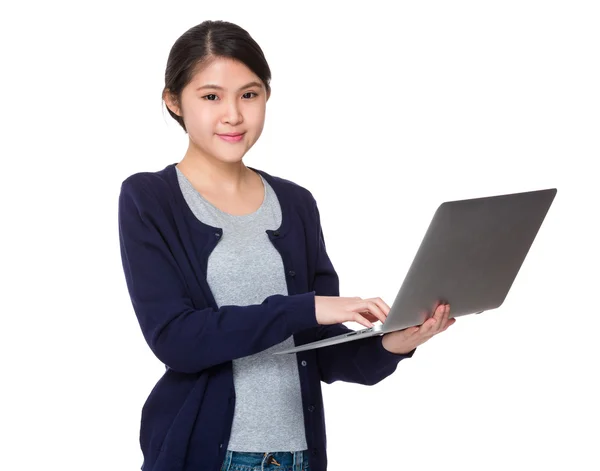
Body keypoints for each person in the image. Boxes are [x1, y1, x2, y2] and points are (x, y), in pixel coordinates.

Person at [117, 20, 455, 471]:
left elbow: (320, 350)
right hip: (207, 458)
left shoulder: (295, 204)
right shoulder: (150, 199)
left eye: (249, 95)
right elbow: (176, 340)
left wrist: (390, 343)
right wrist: (307, 308)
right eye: (211, 96)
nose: (234, 114)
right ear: (174, 100)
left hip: (298, 458)